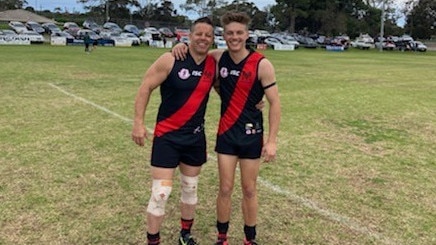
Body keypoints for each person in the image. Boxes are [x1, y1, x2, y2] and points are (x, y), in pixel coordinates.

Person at [172, 12, 281, 245]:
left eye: (239, 33)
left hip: (252, 135)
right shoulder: (218, 58)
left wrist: (272, 141)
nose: (234, 37)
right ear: (224, 35)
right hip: (227, 134)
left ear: (247, 34)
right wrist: (178, 46)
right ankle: (222, 239)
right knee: (225, 188)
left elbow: (275, 103)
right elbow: (196, 52)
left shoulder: (262, 64)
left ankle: (249, 240)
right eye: (230, 33)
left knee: (250, 190)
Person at [131, 17, 216, 245]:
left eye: (208, 35)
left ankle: (185, 235)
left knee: (190, 188)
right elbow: (145, 87)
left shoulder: (213, 65)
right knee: (161, 193)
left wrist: (256, 103)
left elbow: (231, 90)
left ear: (212, 39)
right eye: (199, 33)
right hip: (167, 137)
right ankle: (153, 241)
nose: (203, 38)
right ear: (189, 35)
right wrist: (138, 122)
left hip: (195, 138)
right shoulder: (170, 59)